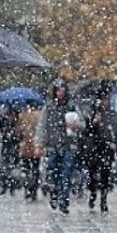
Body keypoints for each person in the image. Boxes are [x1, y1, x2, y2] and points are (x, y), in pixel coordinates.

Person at [78, 83, 117, 213]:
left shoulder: (112, 113)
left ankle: (103, 199)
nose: (105, 101)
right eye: (102, 98)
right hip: (94, 147)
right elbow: (86, 132)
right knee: (92, 173)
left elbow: (116, 131)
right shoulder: (91, 111)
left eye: (106, 98)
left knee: (105, 173)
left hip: (107, 147)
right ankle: (93, 193)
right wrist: (93, 123)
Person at [37, 79, 77, 214]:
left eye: (63, 90)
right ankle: (54, 194)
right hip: (52, 145)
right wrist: (40, 143)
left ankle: (64, 201)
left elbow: (81, 123)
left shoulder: (71, 106)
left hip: (68, 144)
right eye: (58, 90)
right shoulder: (48, 107)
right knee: (53, 173)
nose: (60, 93)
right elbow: (42, 126)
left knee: (66, 174)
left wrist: (75, 125)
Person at [16, 105, 43, 202]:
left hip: (27, 147)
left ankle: (28, 190)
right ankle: (33, 190)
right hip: (34, 147)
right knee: (35, 169)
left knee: (27, 170)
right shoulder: (39, 116)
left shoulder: (22, 116)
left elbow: (17, 132)